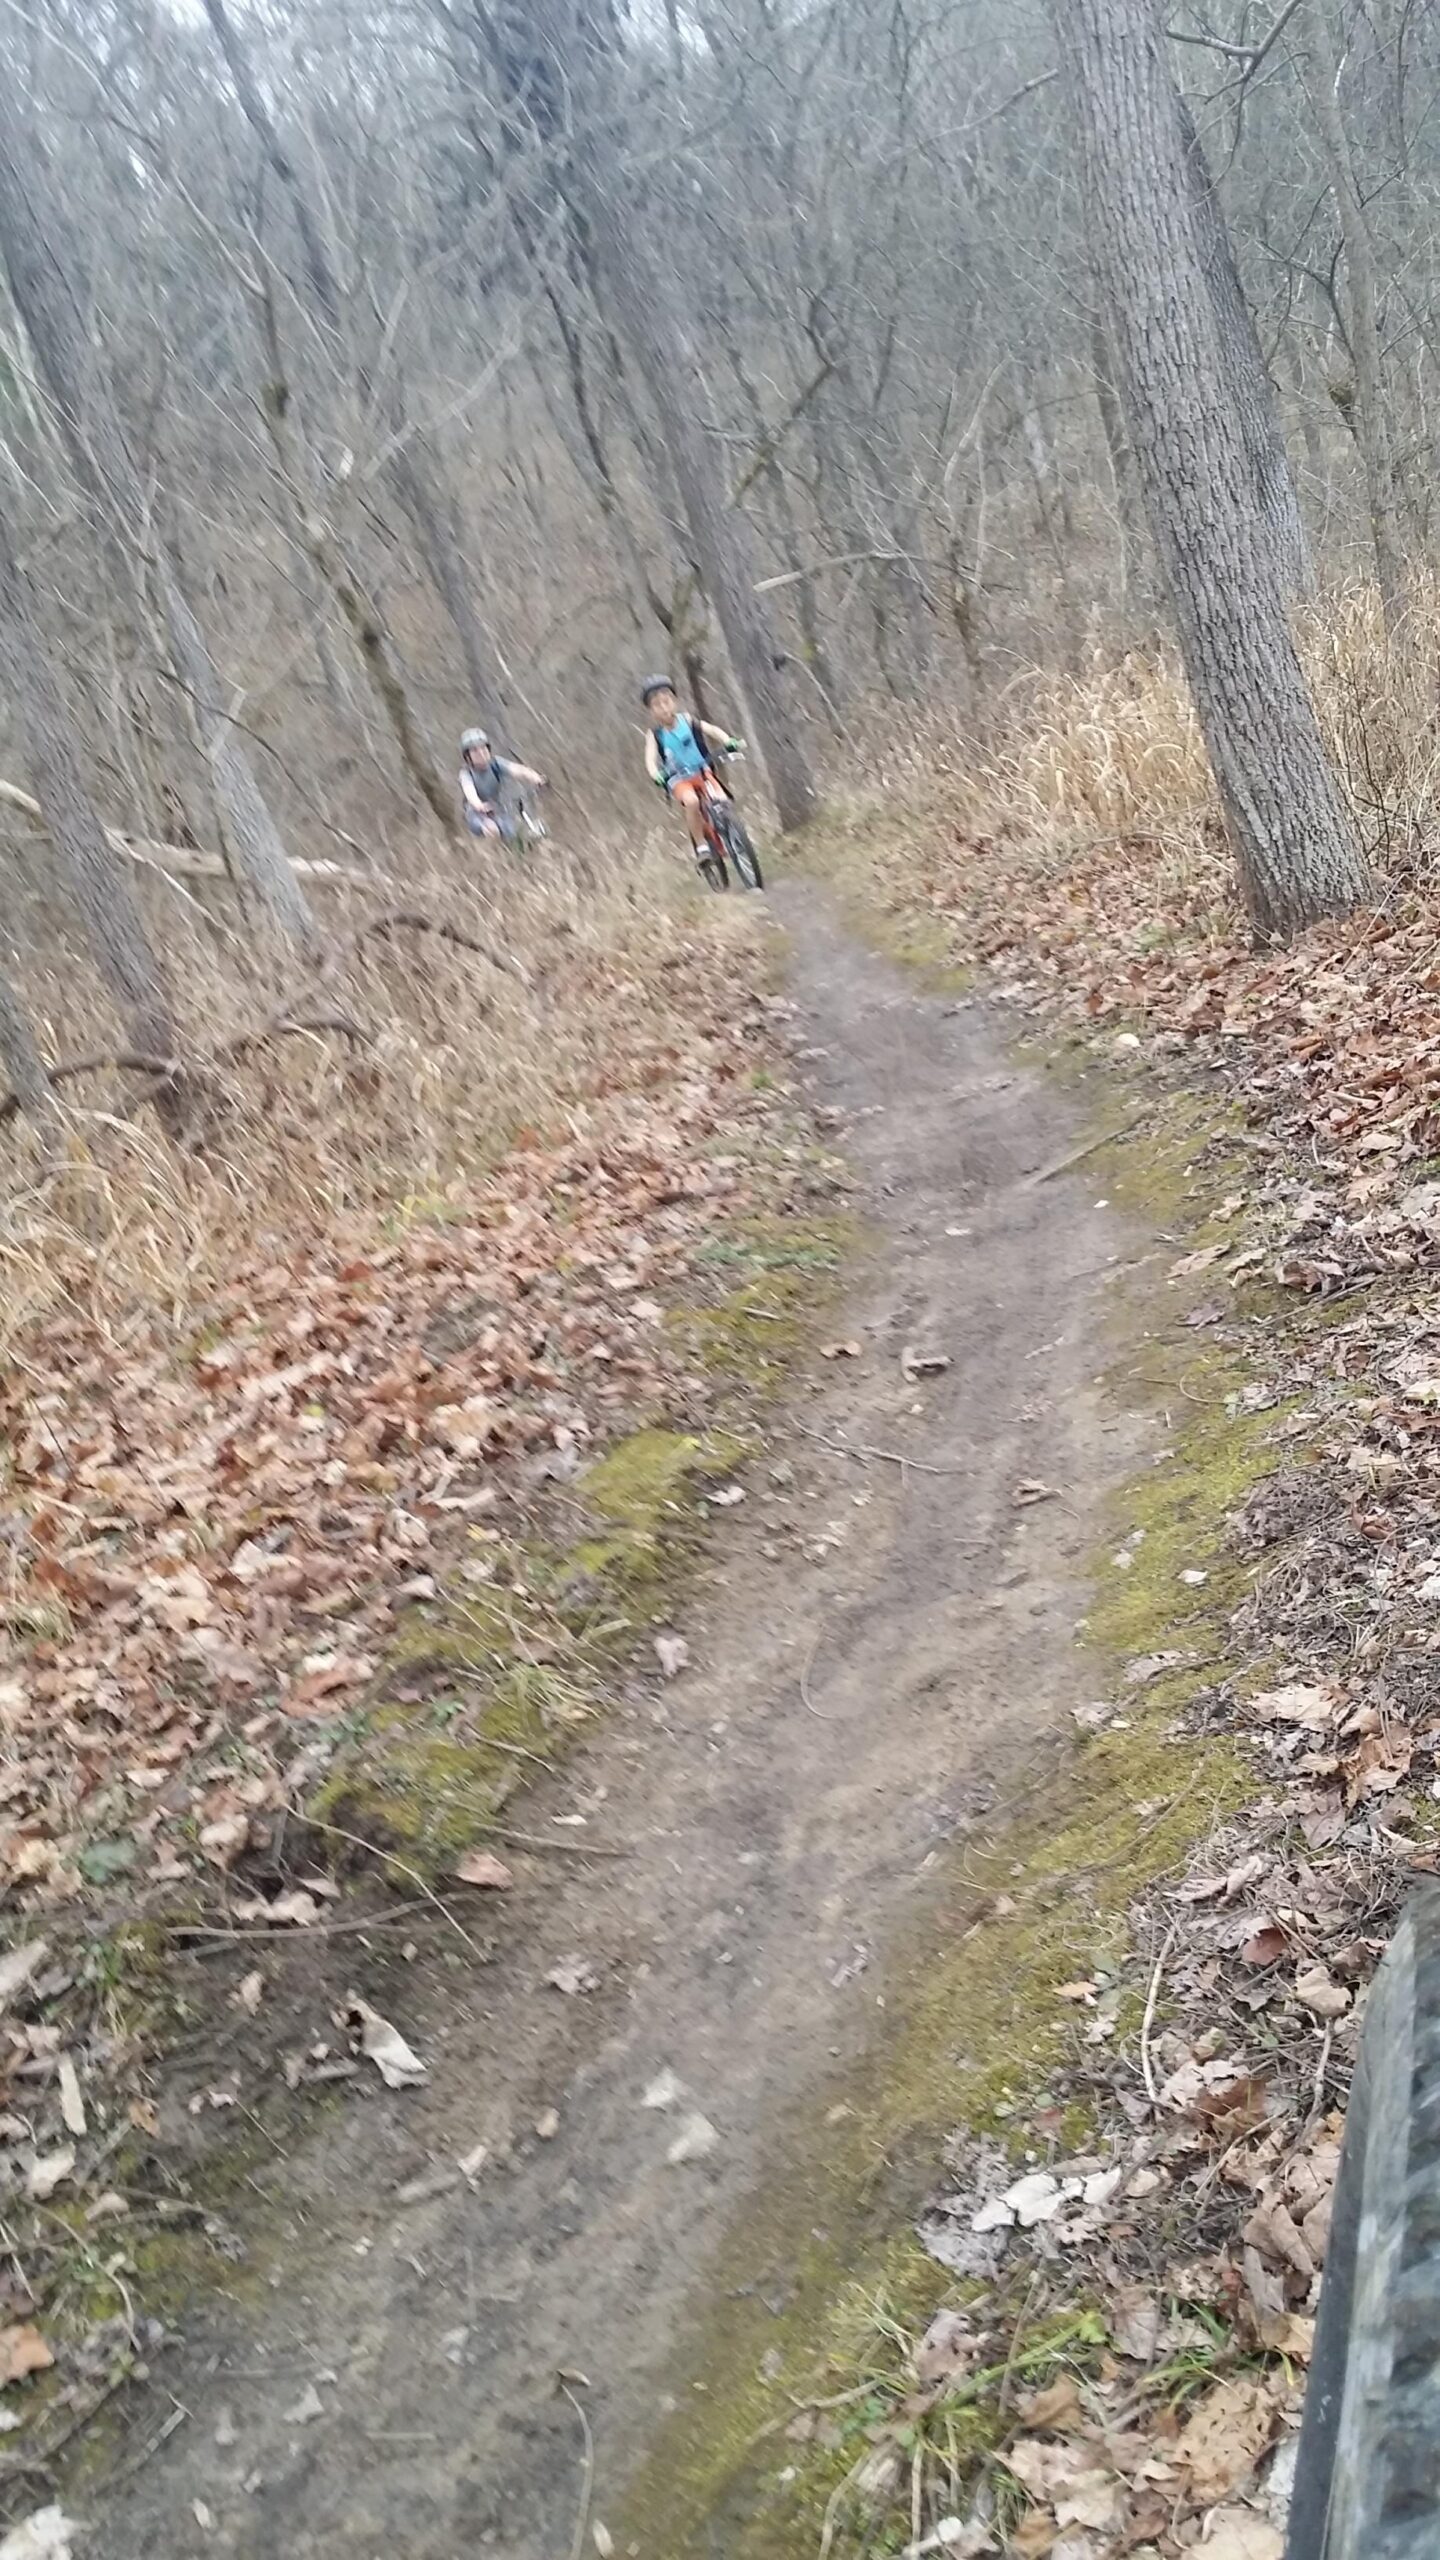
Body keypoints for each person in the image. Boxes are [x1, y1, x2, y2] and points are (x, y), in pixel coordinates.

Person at [640, 677, 744, 859]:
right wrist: (655, 774)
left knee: (722, 799)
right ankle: (702, 847)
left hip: (702, 771)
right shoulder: (655, 735)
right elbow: (650, 759)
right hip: (679, 780)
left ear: (675, 701)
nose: (664, 708)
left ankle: (731, 834)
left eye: (667, 702)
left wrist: (727, 740)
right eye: (657, 705)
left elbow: (711, 730)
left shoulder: (687, 721)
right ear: (651, 711)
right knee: (692, 802)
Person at [458, 728, 547, 841]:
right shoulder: (466, 773)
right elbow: (469, 791)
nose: (481, 752)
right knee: (492, 830)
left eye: (483, 747)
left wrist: (537, 778)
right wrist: (479, 805)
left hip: (496, 810)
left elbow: (519, 770)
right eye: (475, 750)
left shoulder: (496, 764)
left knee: (516, 836)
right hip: (477, 816)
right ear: (468, 756)